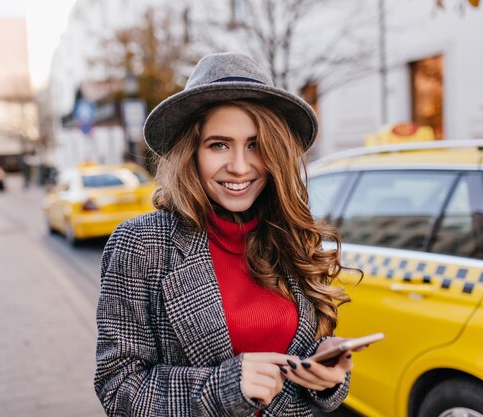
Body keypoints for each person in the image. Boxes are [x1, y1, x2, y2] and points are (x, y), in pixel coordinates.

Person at [95, 52, 356, 416]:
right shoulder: (142, 245)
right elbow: (118, 388)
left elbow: (304, 353)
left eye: (255, 145)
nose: (239, 167)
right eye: (219, 144)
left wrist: (328, 376)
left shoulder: (289, 234)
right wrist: (224, 387)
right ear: (192, 152)